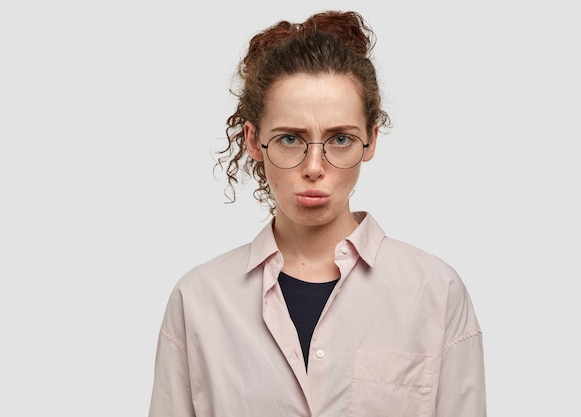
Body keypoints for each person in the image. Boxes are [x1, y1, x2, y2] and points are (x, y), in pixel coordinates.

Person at [148, 10, 486, 417]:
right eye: (290, 138)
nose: (313, 166)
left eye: (340, 138)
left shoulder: (436, 292)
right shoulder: (199, 300)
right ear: (254, 141)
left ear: (370, 140)